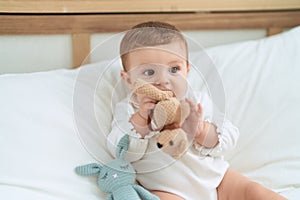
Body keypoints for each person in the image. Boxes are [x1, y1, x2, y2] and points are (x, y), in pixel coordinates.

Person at [106, 21, 286, 200]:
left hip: (217, 181)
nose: (163, 80)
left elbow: (229, 136)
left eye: (174, 69)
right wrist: (141, 120)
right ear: (128, 79)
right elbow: (122, 152)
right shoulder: (129, 109)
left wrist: (201, 130)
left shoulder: (196, 101)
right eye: (149, 72)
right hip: (166, 189)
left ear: (187, 70)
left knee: (254, 191)